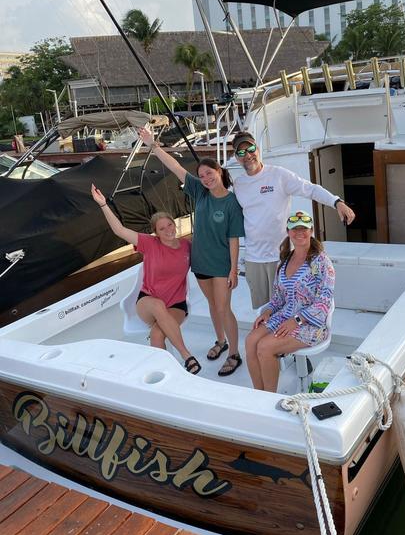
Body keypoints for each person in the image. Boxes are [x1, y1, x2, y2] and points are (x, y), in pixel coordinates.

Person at [138, 128, 245, 376]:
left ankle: (234, 353)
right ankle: (221, 341)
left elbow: (233, 239)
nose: (206, 178)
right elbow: (175, 167)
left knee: (223, 307)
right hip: (200, 263)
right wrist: (153, 145)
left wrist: (233, 269)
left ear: (220, 172)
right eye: (202, 175)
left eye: (209, 173)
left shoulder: (231, 202)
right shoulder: (199, 191)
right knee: (211, 304)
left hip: (220, 264)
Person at [231, 131, 354, 309]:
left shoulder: (278, 175)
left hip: (280, 258)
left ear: (257, 149)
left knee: (284, 308)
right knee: (261, 311)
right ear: (236, 158)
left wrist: (337, 202)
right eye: (241, 153)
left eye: (250, 149)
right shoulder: (238, 185)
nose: (247, 155)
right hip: (253, 259)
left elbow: (310, 189)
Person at [90, 184, 200, 374]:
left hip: (176, 305)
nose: (167, 230)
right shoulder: (149, 244)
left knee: (157, 334)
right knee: (157, 306)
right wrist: (103, 205)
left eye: (169, 225)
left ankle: (166, 375)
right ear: (156, 233)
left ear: (175, 224)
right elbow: (119, 230)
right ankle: (186, 355)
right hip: (147, 303)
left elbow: (206, 258)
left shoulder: (186, 246)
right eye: (161, 228)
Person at [245, 210, 335, 392]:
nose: (299, 232)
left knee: (264, 346)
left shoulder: (322, 262)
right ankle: (258, 395)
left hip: (311, 324)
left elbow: (324, 303)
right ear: (288, 232)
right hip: (284, 317)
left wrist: (297, 321)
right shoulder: (285, 261)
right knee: (250, 341)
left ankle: (269, 398)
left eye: (304, 228)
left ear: (311, 231)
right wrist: (268, 311)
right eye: (295, 229)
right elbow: (278, 298)